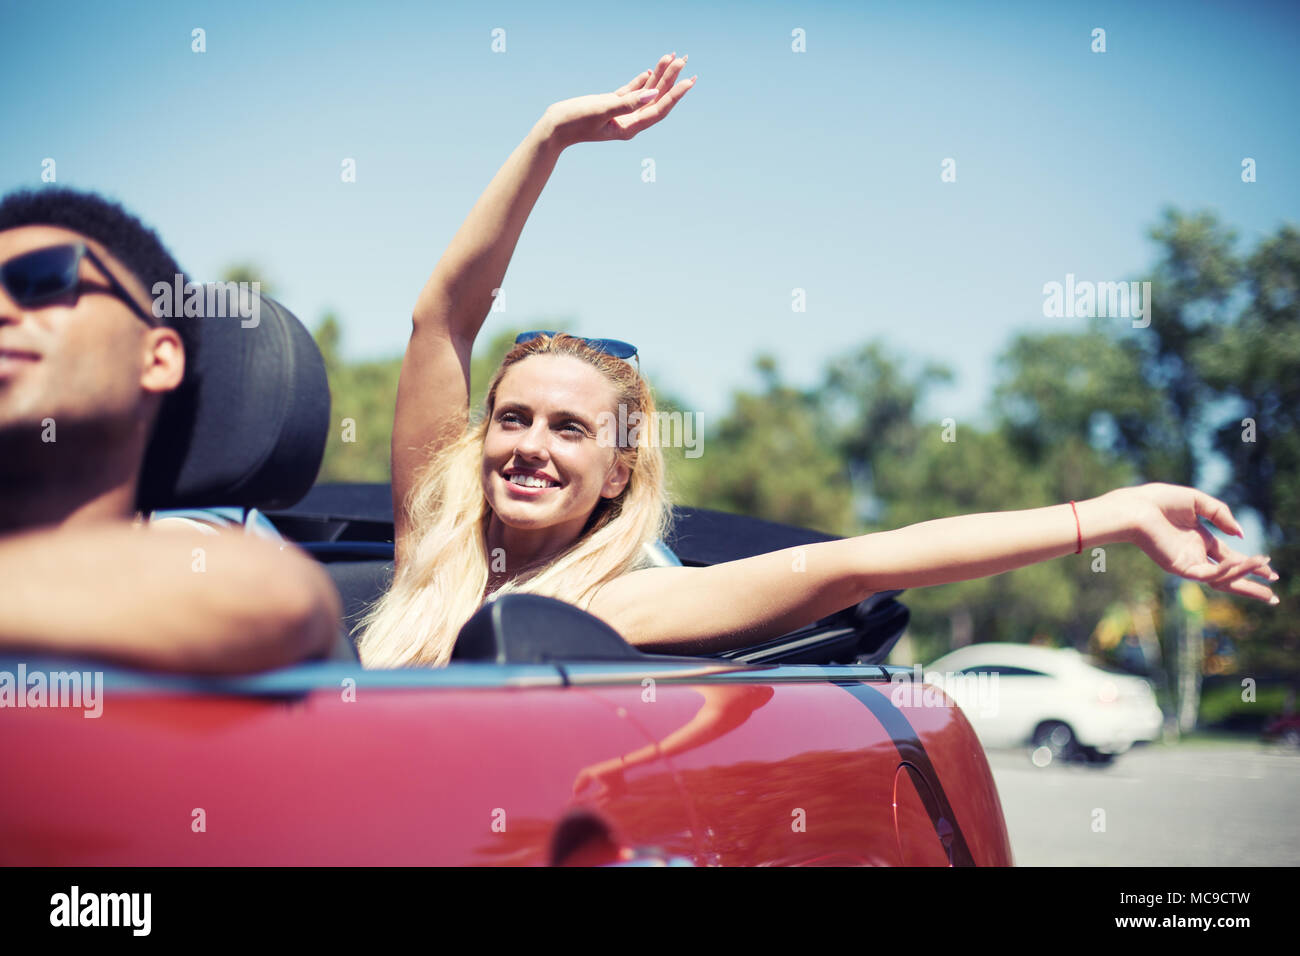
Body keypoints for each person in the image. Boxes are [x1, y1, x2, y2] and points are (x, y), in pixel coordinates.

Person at [358, 54, 1278, 668]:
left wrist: (1108, 515)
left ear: (617, 471)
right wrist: (550, 137)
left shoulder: (621, 605)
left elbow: (869, 560)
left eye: (569, 429)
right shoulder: (429, 541)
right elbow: (443, 320)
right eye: (512, 417)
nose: (528, 445)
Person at [0, 187, 342, 674]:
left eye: (42, 279)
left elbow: (280, 598)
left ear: (157, 359)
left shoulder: (251, 582)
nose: (3, 310)